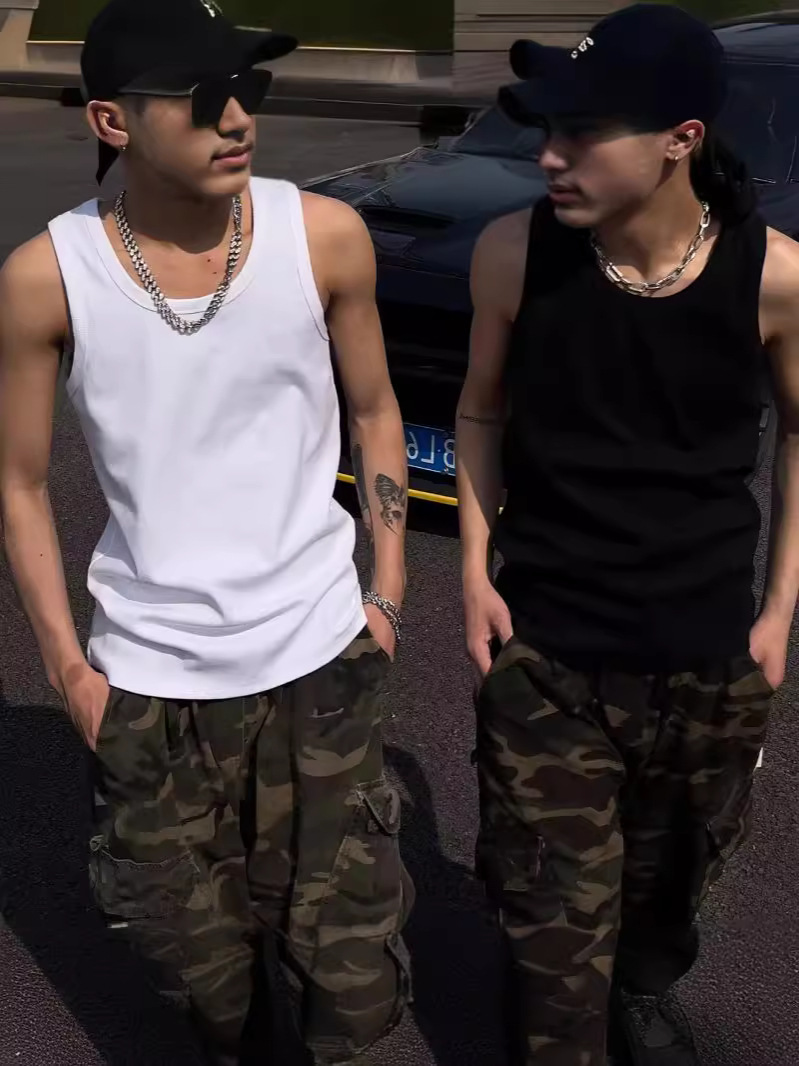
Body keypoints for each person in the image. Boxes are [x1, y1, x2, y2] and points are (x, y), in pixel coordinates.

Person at [0, 1, 412, 1063]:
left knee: (350, 987)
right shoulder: (47, 276)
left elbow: (374, 410)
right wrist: (67, 669)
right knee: (202, 980)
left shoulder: (322, 236)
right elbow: (20, 481)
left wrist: (388, 588)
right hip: (149, 681)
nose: (236, 118)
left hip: (321, 658)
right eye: (201, 98)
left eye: (247, 90)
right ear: (112, 119)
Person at [456, 5, 799, 1065]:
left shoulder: (775, 277)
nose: (548, 156)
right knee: (553, 932)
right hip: (550, 652)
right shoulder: (513, 253)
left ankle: (641, 989)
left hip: (706, 658)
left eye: (581, 133)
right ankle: (559, 1003)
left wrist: (778, 611)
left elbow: (798, 433)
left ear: (679, 140)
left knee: (671, 882)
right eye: (545, 130)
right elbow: (479, 412)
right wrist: (470, 569)